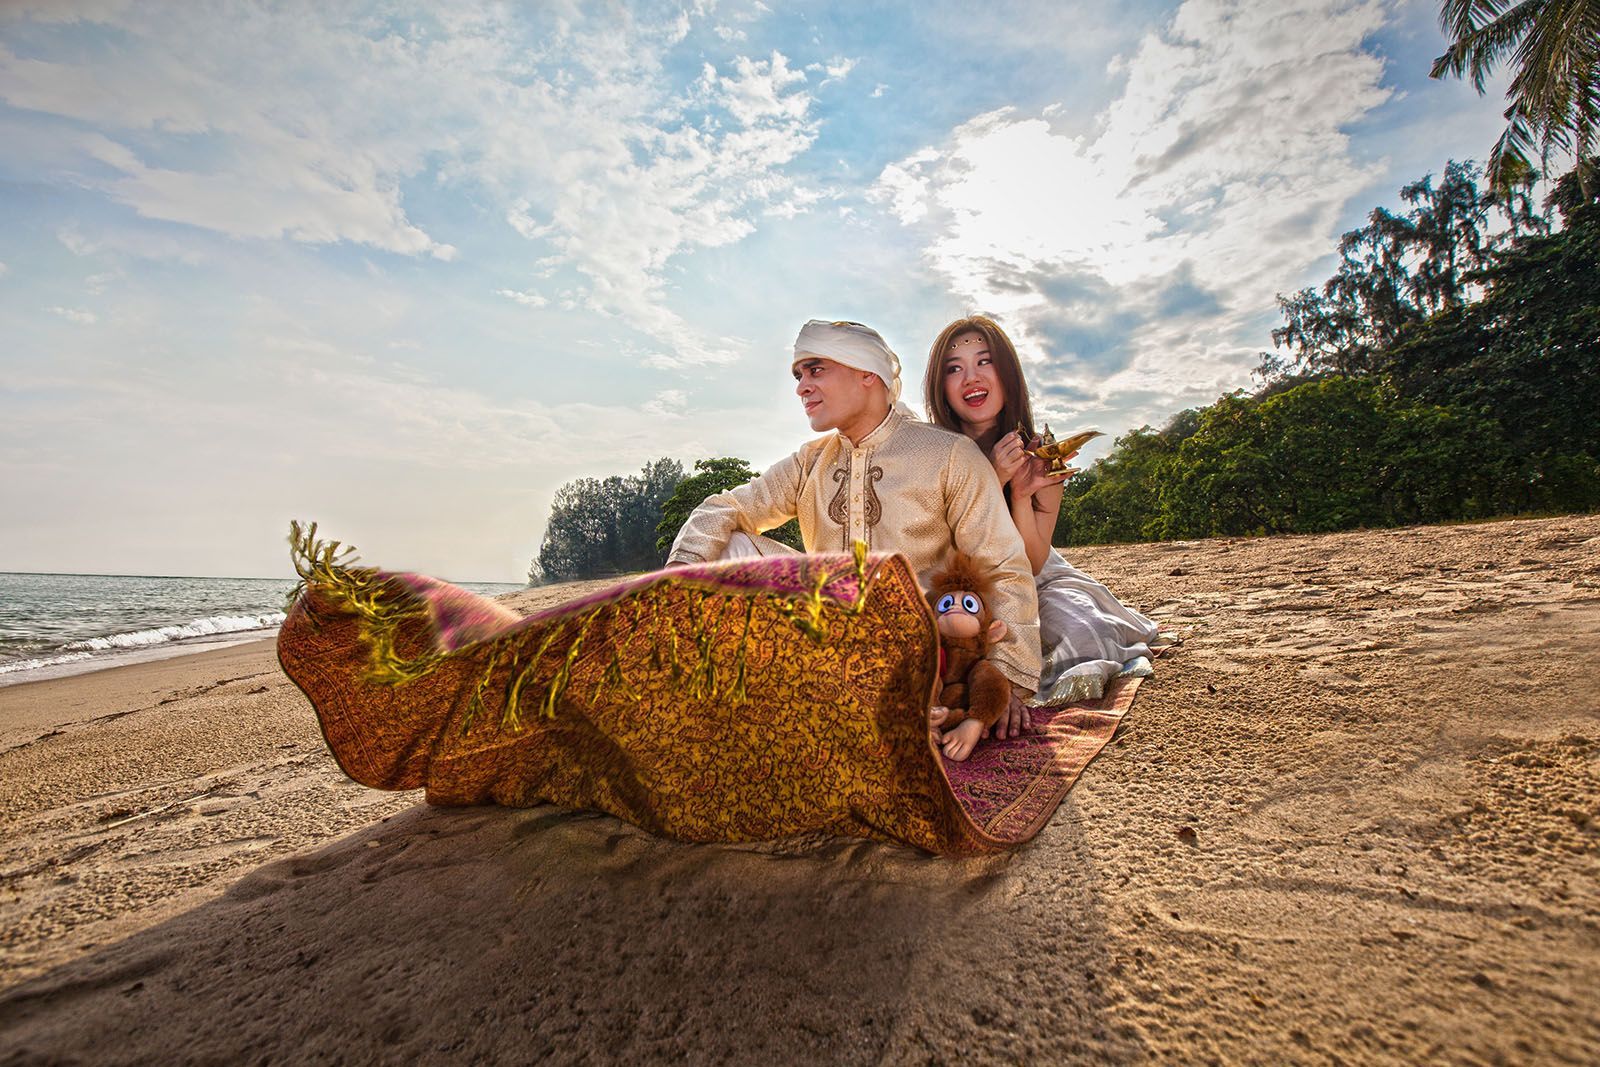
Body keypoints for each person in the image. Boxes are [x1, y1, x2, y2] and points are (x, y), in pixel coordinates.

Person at [667, 319, 1040, 741]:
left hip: (917, 652)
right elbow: (727, 505)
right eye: (798, 375)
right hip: (824, 634)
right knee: (729, 546)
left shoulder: (950, 454)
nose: (801, 387)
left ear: (867, 375)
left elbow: (1003, 566)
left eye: (815, 369)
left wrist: (1005, 674)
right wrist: (676, 574)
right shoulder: (810, 461)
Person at [924, 315, 1161, 706]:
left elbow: (1032, 563)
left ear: (1007, 374)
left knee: (1081, 633)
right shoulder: (928, 454)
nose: (971, 378)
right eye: (954, 369)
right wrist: (990, 479)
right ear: (940, 387)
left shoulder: (1041, 459)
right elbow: (937, 546)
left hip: (1032, 579)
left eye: (985, 361)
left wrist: (1018, 494)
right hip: (954, 583)